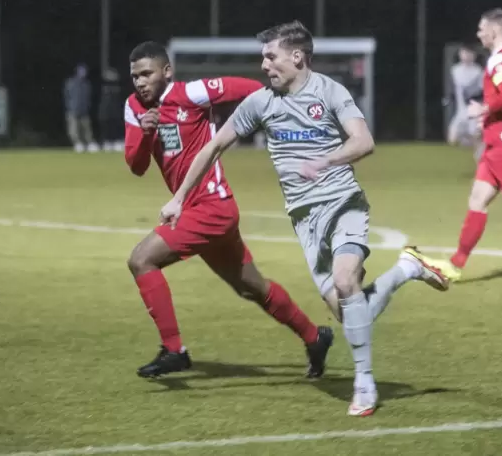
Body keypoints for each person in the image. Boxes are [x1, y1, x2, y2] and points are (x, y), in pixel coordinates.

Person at [159, 21, 449, 416]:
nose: (264, 65)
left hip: (343, 202)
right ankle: (405, 269)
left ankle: (365, 385)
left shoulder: (330, 91)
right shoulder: (261, 103)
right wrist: (178, 198)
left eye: (270, 56)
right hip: (305, 220)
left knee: (347, 281)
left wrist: (327, 160)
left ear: (296, 57)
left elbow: (364, 141)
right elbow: (212, 148)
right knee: (349, 314)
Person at [124, 41, 334, 380]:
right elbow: (135, 166)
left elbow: (243, 88)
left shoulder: (190, 94)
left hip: (211, 208)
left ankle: (174, 350)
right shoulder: (134, 107)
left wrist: (282, 99)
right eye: (135, 76)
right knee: (252, 287)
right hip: (199, 212)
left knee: (141, 259)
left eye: (146, 74)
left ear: (166, 72)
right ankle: (315, 337)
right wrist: (147, 135)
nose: (140, 82)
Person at [422, 8, 502, 282]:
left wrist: (484, 107)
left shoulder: (499, 60)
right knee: (477, 200)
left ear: (494, 30)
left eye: (481, 28)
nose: (478, 33)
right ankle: (454, 265)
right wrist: (488, 115)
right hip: (494, 146)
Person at [447, 45, 485, 161]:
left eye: (469, 53)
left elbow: (480, 91)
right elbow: (455, 89)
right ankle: (477, 147)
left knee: (475, 135)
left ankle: (480, 155)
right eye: (464, 53)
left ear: (474, 56)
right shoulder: (455, 70)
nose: (466, 56)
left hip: (472, 111)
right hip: (461, 111)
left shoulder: (478, 71)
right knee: (452, 139)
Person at [63, 64, 98, 153]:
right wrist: (69, 107)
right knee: (73, 129)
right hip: (73, 110)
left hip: (84, 110)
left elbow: (88, 97)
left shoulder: (87, 84)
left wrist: (87, 106)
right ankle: (78, 144)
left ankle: (90, 143)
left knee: (87, 129)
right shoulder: (70, 83)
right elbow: (67, 96)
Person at [98, 67, 125, 151]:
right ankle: (107, 142)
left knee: (115, 127)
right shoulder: (103, 87)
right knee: (107, 128)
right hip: (106, 112)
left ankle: (115, 142)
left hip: (115, 112)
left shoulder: (118, 87)